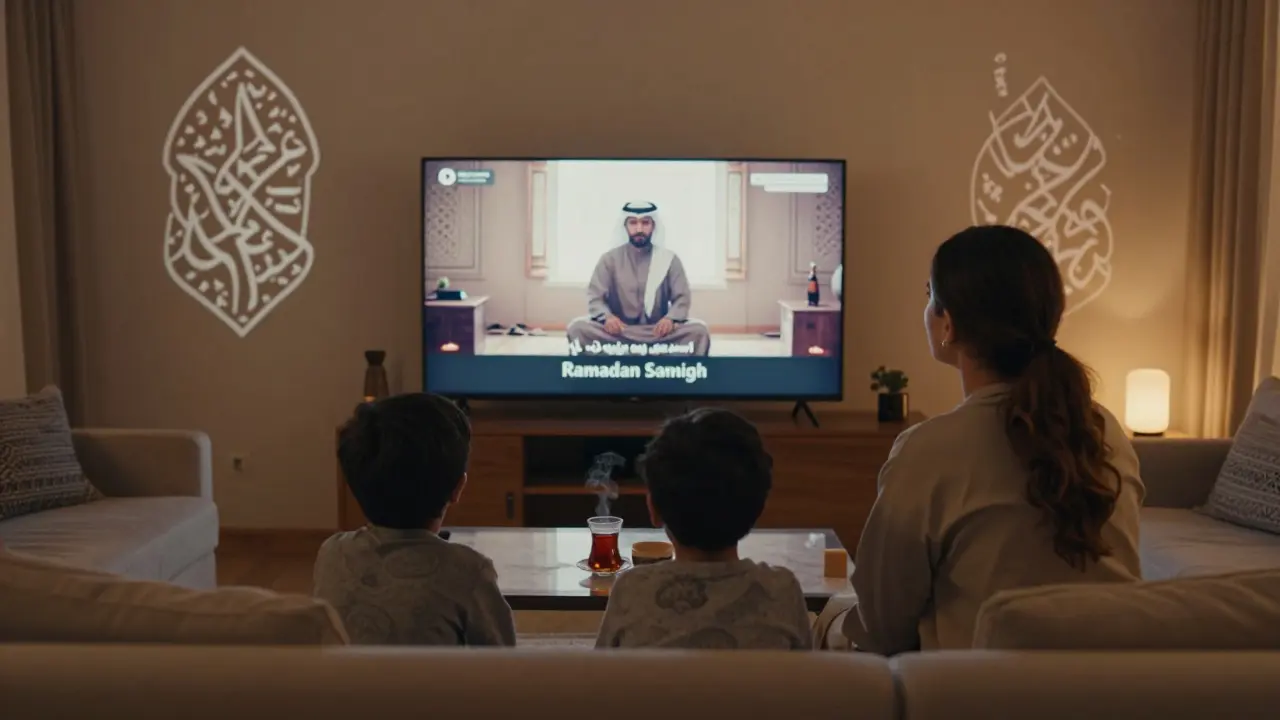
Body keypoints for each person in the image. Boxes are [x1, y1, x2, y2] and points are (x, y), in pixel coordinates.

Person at [815, 225, 1144, 654]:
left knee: (829, 617)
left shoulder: (928, 450)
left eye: (929, 293)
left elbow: (882, 629)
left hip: (972, 697)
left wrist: (828, 621)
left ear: (947, 323)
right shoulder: (1107, 432)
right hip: (1111, 692)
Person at [594, 408, 812, 649]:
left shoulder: (631, 590)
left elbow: (601, 678)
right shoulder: (782, 591)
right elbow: (804, 676)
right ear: (758, 506)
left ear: (653, 509)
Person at [313, 393, 516, 646]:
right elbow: (503, 659)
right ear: (458, 487)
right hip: (430, 687)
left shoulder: (332, 552)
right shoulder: (469, 571)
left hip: (345, 686)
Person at [566, 201, 712, 356]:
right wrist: (607, 317)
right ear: (625, 226)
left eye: (645, 223)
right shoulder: (609, 259)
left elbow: (682, 298)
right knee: (577, 328)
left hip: (657, 333)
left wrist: (670, 319)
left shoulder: (668, 259)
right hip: (619, 332)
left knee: (699, 331)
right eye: (633, 223)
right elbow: (595, 297)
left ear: (654, 226)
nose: (639, 229)